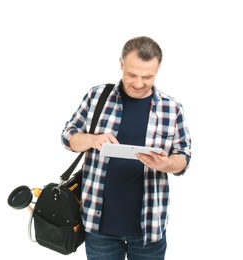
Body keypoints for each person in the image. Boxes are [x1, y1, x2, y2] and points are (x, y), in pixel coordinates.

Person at [61, 36, 191, 260]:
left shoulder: (172, 108)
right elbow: (68, 136)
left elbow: (183, 157)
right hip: (98, 227)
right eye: (132, 74)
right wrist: (92, 140)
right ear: (121, 64)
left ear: (158, 70)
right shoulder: (97, 96)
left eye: (147, 76)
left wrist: (167, 163)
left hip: (149, 230)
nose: (139, 83)